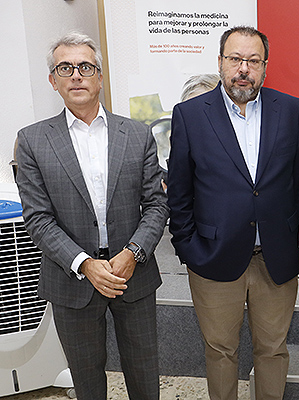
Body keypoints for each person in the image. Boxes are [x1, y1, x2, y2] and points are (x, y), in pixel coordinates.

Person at [15, 32, 169, 400]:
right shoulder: (33, 140)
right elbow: (38, 218)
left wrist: (133, 253)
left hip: (132, 273)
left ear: (101, 76)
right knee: (87, 384)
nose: (77, 75)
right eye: (65, 68)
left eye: (86, 66)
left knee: (145, 379)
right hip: (72, 281)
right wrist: (84, 263)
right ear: (53, 80)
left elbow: (158, 204)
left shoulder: (137, 134)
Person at [167, 26, 299, 400]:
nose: (243, 68)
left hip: (275, 259)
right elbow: (179, 192)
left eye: (253, 61)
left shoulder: (291, 109)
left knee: (273, 351)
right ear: (220, 62)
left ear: (265, 67)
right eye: (235, 59)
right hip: (213, 259)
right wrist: (188, 248)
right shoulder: (190, 114)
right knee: (220, 353)